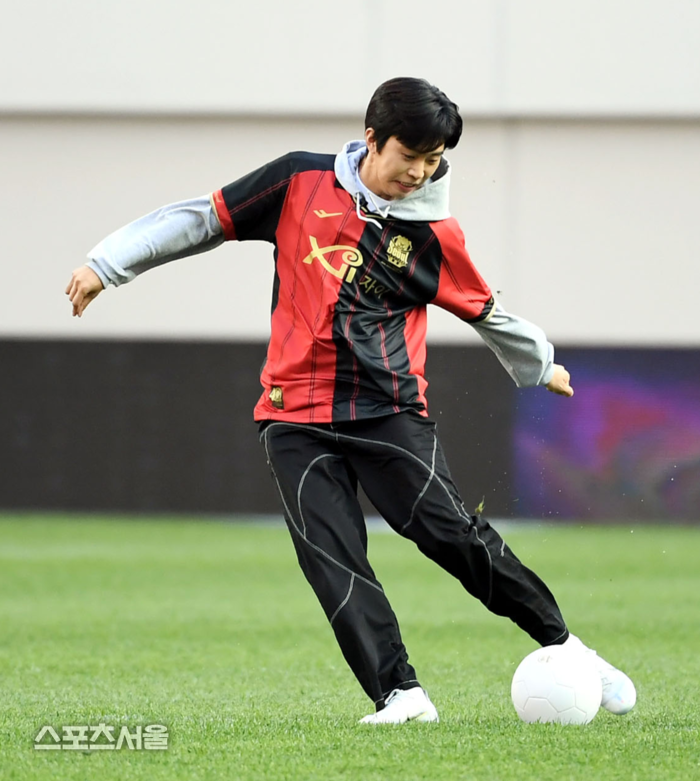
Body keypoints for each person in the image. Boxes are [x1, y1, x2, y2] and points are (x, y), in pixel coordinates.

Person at [66, 77, 636, 724]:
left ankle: (570, 648)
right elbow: (202, 219)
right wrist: (107, 265)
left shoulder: (432, 233)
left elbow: (484, 310)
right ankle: (401, 694)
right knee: (331, 559)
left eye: (433, 161)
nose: (419, 173)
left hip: (387, 415)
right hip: (292, 418)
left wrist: (540, 366)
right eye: (409, 156)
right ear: (371, 139)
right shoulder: (297, 181)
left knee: (453, 538)